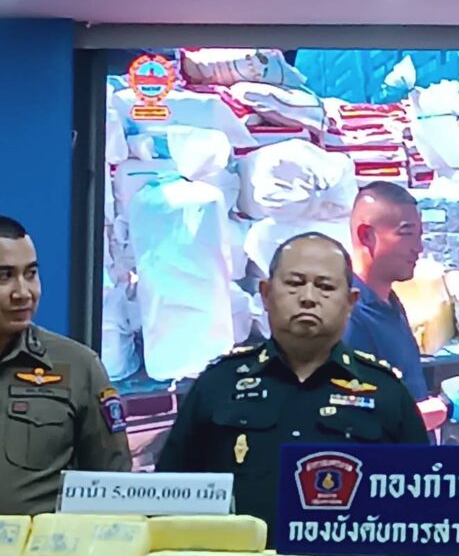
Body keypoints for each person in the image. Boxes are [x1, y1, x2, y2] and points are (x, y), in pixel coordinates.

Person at [157, 232, 429, 533]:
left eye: (325, 287)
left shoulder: (385, 393)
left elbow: (420, 508)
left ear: (351, 301)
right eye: (294, 283)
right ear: (265, 293)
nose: (308, 297)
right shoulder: (218, 386)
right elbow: (168, 499)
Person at [0, 215, 132, 513]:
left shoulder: (78, 366)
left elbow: (115, 489)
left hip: (42, 543)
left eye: (31, 274)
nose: (23, 292)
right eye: (4, 276)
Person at [344, 181, 429, 401]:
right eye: (407, 234)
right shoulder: (348, 319)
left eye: (419, 236)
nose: (418, 248)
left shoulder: (389, 303)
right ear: (366, 235)